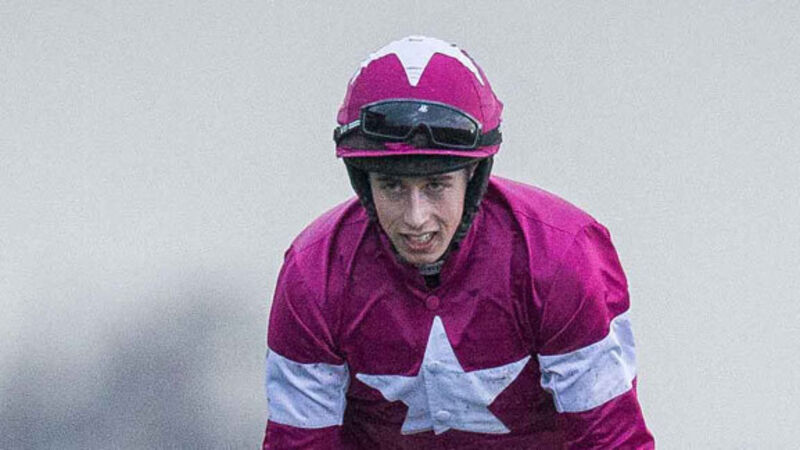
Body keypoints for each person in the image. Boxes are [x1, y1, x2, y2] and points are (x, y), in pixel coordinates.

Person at [263, 35, 655, 449]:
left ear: (473, 175)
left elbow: (611, 442)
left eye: (436, 185)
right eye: (392, 186)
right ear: (363, 183)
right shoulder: (313, 275)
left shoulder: (560, 258)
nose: (416, 218)